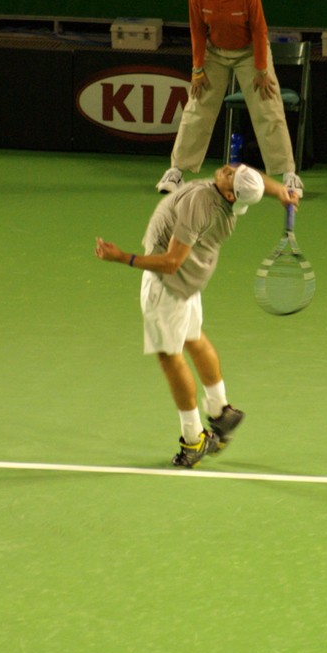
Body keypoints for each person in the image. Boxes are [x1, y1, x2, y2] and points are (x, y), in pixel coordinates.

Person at [95, 161, 299, 468]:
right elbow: (249, 178)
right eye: (235, 170)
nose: (229, 168)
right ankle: (221, 411)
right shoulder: (229, 199)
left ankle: (193, 439)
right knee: (193, 337)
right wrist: (280, 190)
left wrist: (122, 257)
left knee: (169, 356)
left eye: (233, 175)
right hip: (192, 282)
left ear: (230, 195)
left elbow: (171, 262)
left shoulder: (200, 203)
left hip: (168, 286)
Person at [156, 0, 304, 197]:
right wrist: (197, 69)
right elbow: (197, 32)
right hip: (214, 53)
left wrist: (261, 70)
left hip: (250, 52)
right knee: (197, 105)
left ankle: (288, 175)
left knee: (268, 105)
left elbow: (259, 31)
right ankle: (176, 171)